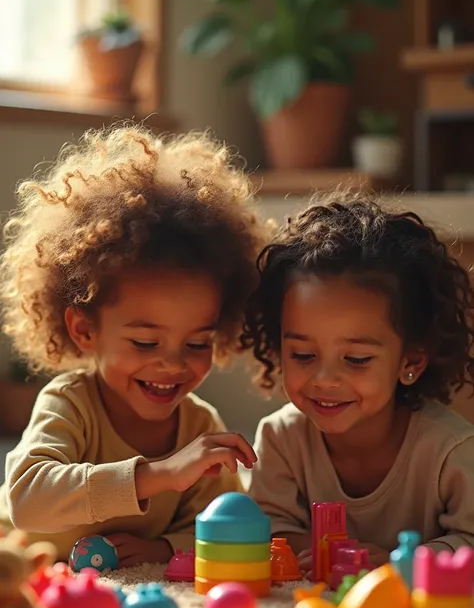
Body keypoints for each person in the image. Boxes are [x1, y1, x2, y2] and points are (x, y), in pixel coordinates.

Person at [0, 124, 267, 566]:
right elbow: (27, 501)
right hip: (26, 566)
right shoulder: (70, 404)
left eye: (198, 342)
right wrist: (159, 475)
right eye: (145, 342)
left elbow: (217, 526)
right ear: (85, 330)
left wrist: (162, 548)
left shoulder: (199, 427)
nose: (173, 364)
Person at [243, 189, 474, 571]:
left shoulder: (450, 451)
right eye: (303, 355)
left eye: (357, 359)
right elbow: (268, 531)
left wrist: (409, 561)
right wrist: (325, 552)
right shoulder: (281, 440)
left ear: (410, 361)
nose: (326, 379)